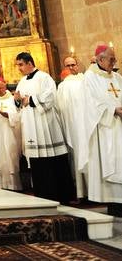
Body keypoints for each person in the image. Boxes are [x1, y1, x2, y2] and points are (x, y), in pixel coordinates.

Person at [13, 51, 74, 203]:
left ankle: (61, 195)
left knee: (52, 160)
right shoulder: (22, 81)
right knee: (37, 162)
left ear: (29, 63)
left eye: (20, 64)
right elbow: (20, 103)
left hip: (45, 124)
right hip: (31, 126)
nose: (19, 68)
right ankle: (43, 195)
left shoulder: (44, 77)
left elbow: (51, 96)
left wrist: (31, 100)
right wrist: (17, 100)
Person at [80, 43, 122, 204]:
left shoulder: (117, 77)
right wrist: (113, 110)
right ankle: (113, 200)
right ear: (100, 59)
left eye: (114, 59)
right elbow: (90, 104)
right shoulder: (89, 77)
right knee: (111, 161)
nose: (114, 62)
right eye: (111, 59)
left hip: (120, 126)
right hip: (105, 129)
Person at [56, 55, 87, 199]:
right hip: (73, 126)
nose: (71, 67)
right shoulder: (63, 86)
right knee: (76, 155)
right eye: (68, 65)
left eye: (73, 64)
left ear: (78, 65)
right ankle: (80, 191)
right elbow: (60, 108)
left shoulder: (86, 81)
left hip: (88, 125)